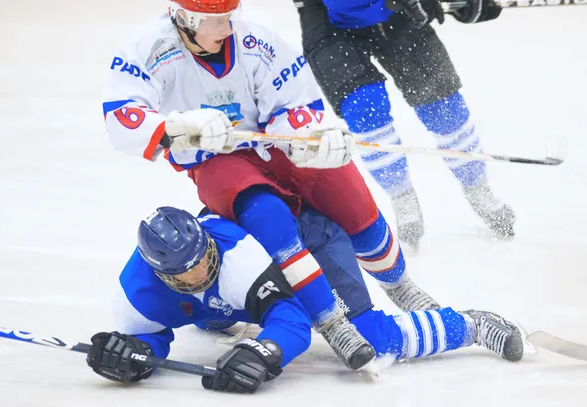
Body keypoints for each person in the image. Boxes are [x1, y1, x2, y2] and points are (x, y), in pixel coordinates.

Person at [102, 0, 440, 370]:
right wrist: (177, 128)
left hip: (277, 146)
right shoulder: (147, 47)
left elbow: (295, 104)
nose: (226, 29)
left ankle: (402, 286)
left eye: (229, 17)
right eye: (212, 21)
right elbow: (121, 117)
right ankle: (330, 320)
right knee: (269, 217)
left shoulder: (258, 34)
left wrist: (313, 136)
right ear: (182, 17)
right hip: (217, 161)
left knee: (348, 193)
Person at [86, 205, 524, 394]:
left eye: (206, 256)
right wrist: (134, 353)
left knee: (370, 335)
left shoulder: (238, 256)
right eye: (188, 271)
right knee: (210, 315)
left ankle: (471, 324)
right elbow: (149, 336)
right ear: (161, 274)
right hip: (254, 276)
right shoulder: (136, 289)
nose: (204, 269)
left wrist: (265, 350)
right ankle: (226, 316)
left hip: (306, 243)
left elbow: (293, 318)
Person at [294, 0, 513, 250]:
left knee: (442, 103)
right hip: (331, 19)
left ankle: (478, 188)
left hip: (396, 12)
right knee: (365, 106)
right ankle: (401, 195)